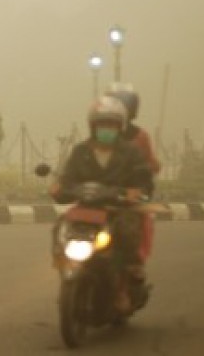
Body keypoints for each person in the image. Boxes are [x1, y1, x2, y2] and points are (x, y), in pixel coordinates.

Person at [49, 95, 154, 312]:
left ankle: (124, 286)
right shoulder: (81, 152)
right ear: (93, 126)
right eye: (102, 124)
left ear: (120, 126)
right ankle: (64, 267)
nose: (106, 128)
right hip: (86, 210)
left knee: (127, 229)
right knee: (59, 227)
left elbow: (144, 180)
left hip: (116, 210)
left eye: (111, 124)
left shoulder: (130, 153)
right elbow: (68, 179)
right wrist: (59, 188)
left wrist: (136, 191)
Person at [106, 84, 160, 264]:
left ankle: (134, 265)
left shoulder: (140, 136)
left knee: (137, 224)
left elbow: (150, 166)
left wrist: (138, 187)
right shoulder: (101, 134)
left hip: (128, 196)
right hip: (103, 193)